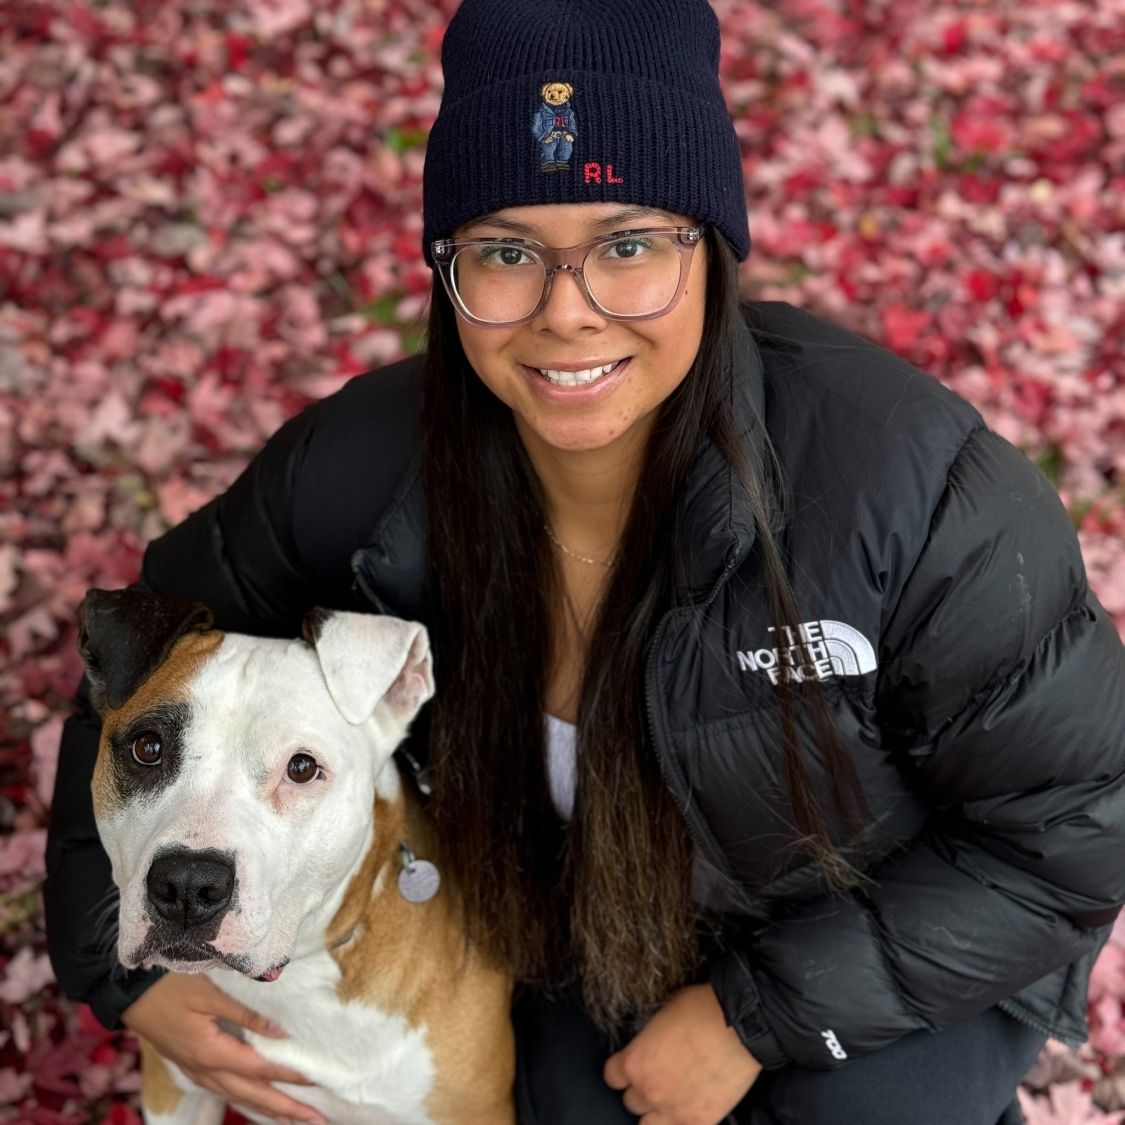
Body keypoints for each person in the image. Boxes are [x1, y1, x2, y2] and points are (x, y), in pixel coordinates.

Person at [44, 1, 1125, 1123]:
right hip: (581, 931)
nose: (568, 313)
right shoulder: (358, 470)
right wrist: (123, 976)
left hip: (873, 929)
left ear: (712, 250)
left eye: (629, 244)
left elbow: (1080, 828)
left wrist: (756, 1014)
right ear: (445, 270)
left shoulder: (911, 491)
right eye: (506, 252)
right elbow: (136, 689)